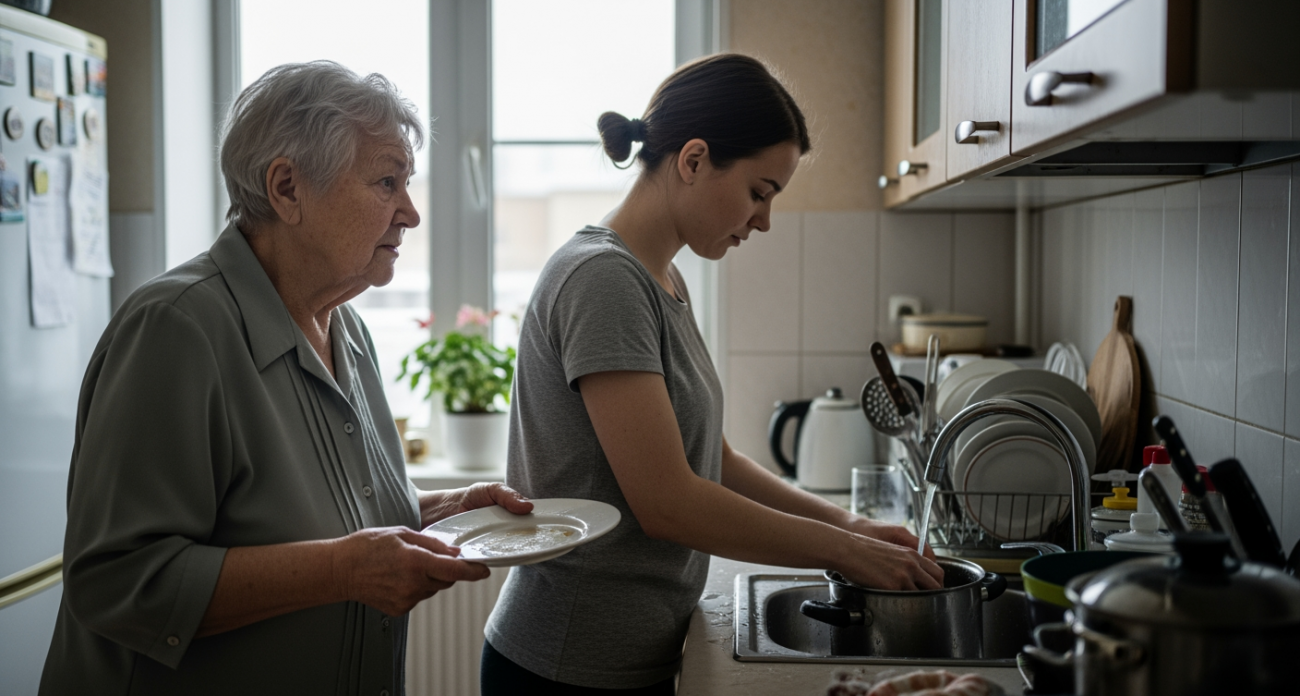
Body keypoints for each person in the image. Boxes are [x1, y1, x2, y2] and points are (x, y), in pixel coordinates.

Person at [39, 61, 531, 695]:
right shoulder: (176, 330)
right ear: (287, 189)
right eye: (387, 182)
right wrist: (344, 572)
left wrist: (446, 513)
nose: (410, 213)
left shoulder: (348, 330)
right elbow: (117, 581)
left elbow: (334, 519)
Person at [481, 53, 944, 695]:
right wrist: (841, 552)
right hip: (568, 663)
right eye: (760, 192)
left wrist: (850, 527)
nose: (764, 220)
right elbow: (668, 502)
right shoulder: (604, 280)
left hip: (620, 659)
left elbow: (712, 459)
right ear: (694, 160)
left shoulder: (661, 280)